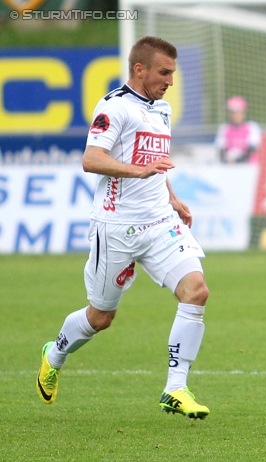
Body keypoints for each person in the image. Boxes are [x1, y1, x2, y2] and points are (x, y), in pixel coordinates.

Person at [36, 36, 211, 420]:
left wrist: (172, 197)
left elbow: (152, 162)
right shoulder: (114, 108)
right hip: (116, 227)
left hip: (160, 222)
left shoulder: (162, 109)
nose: (170, 80)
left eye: (173, 73)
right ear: (140, 69)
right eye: (164, 72)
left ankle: (175, 389)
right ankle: (55, 353)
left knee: (196, 292)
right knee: (101, 317)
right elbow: (91, 158)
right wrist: (138, 171)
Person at [214, 96, 262, 164]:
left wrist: (239, 161)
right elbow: (221, 149)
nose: (235, 115)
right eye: (232, 112)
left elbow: (253, 149)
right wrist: (226, 160)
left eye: (237, 112)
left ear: (243, 112)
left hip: (248, 166)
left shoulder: (252, 127)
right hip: (230, 166)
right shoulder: (224, 128)